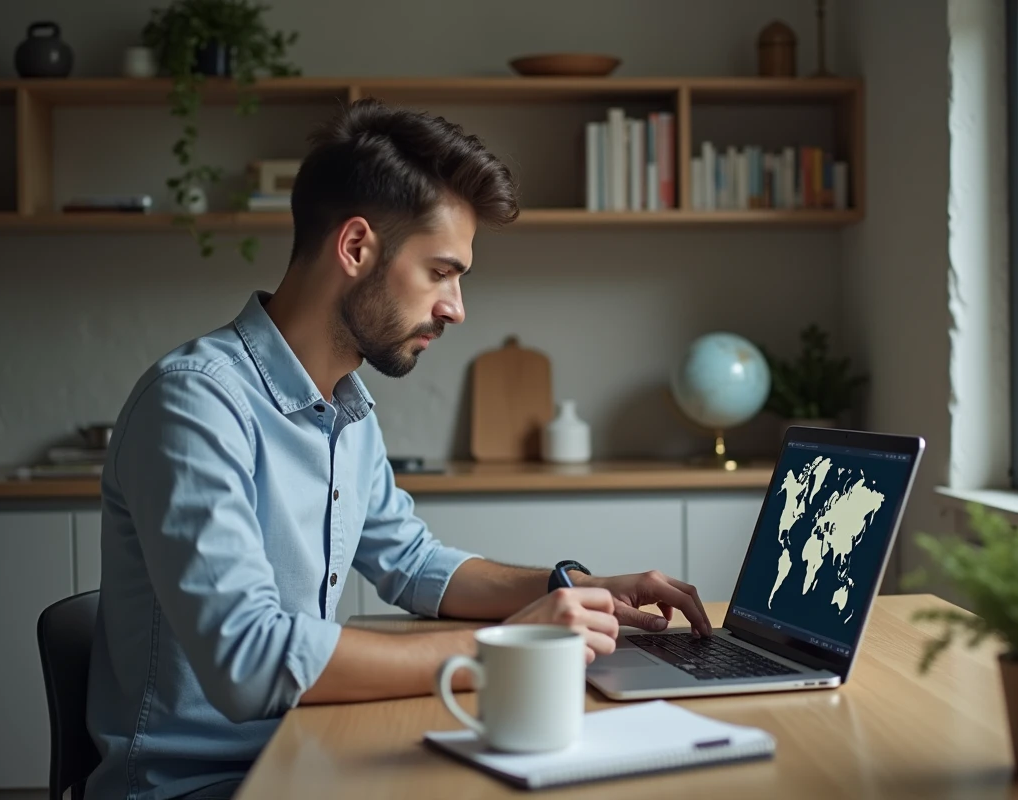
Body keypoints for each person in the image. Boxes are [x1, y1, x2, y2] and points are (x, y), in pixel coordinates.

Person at [83, 99, 712, 800]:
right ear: (356, 247)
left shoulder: (346, 409)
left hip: (302, 751)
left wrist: (572, 588)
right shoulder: (196, 404)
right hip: (200, 786)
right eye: (441, 272)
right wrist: (506, 648)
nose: (456, 308)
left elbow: (412, 564)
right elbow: (249, 660)